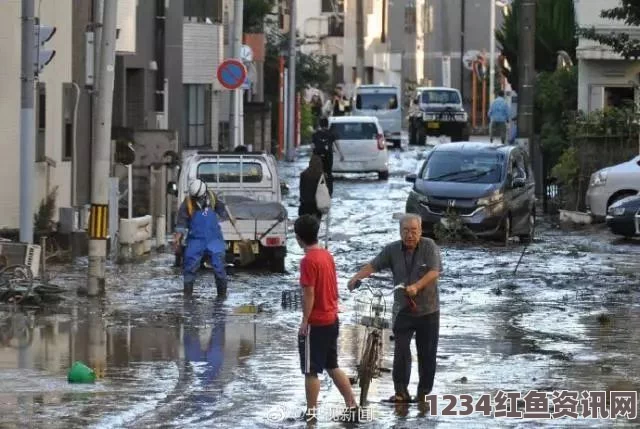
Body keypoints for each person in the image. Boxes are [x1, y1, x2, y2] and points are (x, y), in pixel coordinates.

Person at [348, 214, 442, 403]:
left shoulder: (429, 246)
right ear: (400, 232)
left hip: (428, 310)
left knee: (427, 354)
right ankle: (401, 391)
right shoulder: (392, 250)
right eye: (405, 231)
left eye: (413, 231)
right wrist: (356, 278)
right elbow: (374, 265)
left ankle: (423, 393)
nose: (409, 235)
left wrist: (416, 286)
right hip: (402, 310)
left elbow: (434, 271)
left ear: (420, 231)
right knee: (401, 351)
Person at [295, 215, 359, 422]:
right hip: (332, 318)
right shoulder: (326, 255)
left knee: (310, 370)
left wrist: (305, 320)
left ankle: (311, 414)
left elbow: (309, 293)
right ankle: (352, 405)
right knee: (332, 365)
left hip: (317, 322)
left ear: (298, 238)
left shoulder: (308, 261)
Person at [175, 179, 229, 297]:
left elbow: (223, 211)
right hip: (195, 240)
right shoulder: (187, 203)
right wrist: (178, 240)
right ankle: (187, 296)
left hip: (214, 239)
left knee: (219, 267)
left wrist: (226, 214)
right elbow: (181, 223)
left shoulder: (213, 198)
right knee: (189, 266)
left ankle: (222, 297)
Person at [311, 117, 344, 197]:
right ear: (327, 124)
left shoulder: (315, 134)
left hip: (318, 156)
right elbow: (336, 144)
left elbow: (312, 146)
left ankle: (317, 191)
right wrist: (341, 154)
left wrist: (312, 156)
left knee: (318, 173)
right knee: (328, 173)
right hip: (328, 156)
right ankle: (329, 193)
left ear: (320, 124)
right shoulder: (331, 133)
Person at [299, 155, 325, 220]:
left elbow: (301, 190)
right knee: (315, 227)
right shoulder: (321, 176)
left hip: (305, 205)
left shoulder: (303, 174)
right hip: (317, 206)